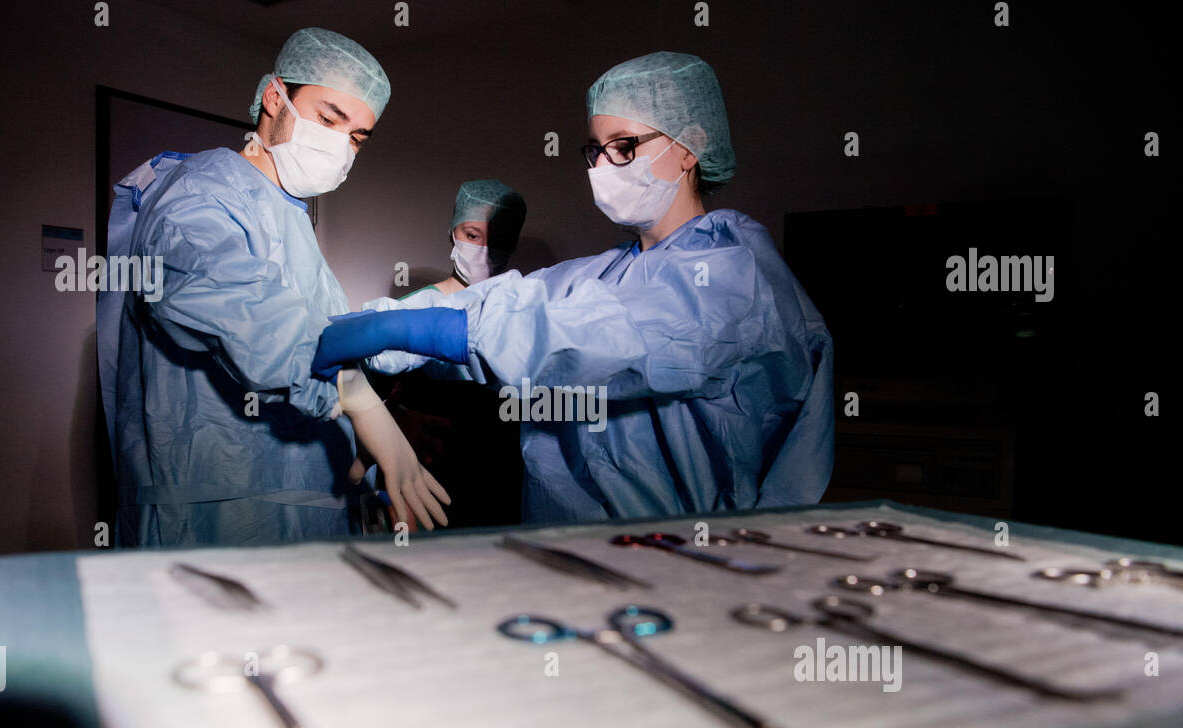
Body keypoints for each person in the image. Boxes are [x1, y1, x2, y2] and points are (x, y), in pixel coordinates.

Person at [312, 51, 834, 524]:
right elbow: (504, 300)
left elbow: (577, 339)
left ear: (690, 147)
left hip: (681, 553)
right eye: (595, 150)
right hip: (568, 546)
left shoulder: (732, 276)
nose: (603, 167)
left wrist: (415, 327)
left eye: (624, 147)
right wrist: (378, 327)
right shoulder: (606, 273)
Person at [109, 27, 449, 547]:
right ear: (274, 96)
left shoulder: (286, 214)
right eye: (329, 117)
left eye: (356, 136)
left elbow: (320, 331)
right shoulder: (197, 195)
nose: (339, 144)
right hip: (219, 513)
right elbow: (244, 310)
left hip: (302, 502)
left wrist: (367, 425)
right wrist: (359, 402)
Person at [372, 180, 528, 526]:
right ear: (452, 231)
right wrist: (394, 423)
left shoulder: (527, 309)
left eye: (498, 239)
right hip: (431, 475)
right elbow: (368, 401)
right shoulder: (414, 310)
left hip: (506, 480)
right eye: (472, 235)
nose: (484, 249)